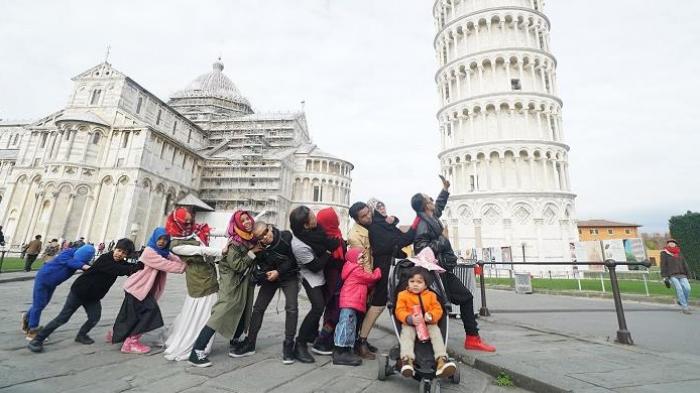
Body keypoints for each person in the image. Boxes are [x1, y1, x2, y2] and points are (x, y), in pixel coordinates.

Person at [411, 175, 495, 352]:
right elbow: (420, 247)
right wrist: (443, 240)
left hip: (442, 270)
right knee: (447, 304)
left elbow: (439, 207)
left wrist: (445, 189)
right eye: (429, 199)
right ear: (425, 206)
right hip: (436, 273)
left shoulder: (430, 218)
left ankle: (471, 338)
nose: (432, 200)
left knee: (462, 298)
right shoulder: (423, 225)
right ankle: (430, 342)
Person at [27, 239, 142, 353]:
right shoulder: (105, 259)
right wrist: (136, 267)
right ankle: (37, 340)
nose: (120, 254)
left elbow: (128, 266)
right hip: (79, 292)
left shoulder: (121, 262)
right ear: (114, 249)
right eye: (119, 250)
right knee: (62, 318)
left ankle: (81, 335)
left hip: (93, 297)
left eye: (124, 253)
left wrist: (142, 263)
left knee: (94, 317)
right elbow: (121, 270)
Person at [188, 211, 260, 367]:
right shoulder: (235, 242)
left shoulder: (251, 238)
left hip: (244, 282)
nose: (247, 222)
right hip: (232, 282)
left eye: (248, 218)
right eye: (243, 220)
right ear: (237, 224)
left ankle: (235, 342)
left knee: (243, 308)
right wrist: (253, 253)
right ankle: (197, 350)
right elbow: (239, 266)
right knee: (221, 311)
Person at [231, 221, 299, 364]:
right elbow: (262, 264)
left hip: (289, 276)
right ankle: (250, 343)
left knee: (291, 308)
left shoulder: (286, 237)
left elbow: (293, 260)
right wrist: (263, 272)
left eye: (265, 232)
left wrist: (278, 272)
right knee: (258, 308)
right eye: (260, 237)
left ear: (270, 227)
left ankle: (288, 346)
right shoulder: (260, 247)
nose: (265, 237)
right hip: (271, 278)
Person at [357, 198, 417, 359]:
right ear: (373, 210)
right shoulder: (376, 227)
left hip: (393, 266)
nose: (382, 207)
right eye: (377, 206)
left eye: (382, 204)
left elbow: (403, 239)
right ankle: (361, 341)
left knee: (400, 302)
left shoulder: (386, 225)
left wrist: (415, 223)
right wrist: (415, 225)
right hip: (384, 268)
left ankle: (406, 339)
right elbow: (397, 242)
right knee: (378, 304)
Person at [111, 228, 186, 353]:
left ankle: (117, 335)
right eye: (160, 239)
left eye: (165, 240)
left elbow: (174, 258)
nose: (162, 242)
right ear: (154, 238)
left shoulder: (163, 252)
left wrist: (188, 261)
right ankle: (131, 342)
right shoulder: (149, 252)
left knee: (131, 315)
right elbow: (166, 265)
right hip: (137, 288)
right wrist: (185, 267)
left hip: (140, 290)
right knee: (150, 313)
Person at [163, 207, 222, 361]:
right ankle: (193, 343)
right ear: (177, 222)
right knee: (203, 314)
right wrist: (225, 251)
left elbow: (212, 232)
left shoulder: (194, 232)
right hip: (199, 281)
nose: (189, 224)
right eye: (185, 222)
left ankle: (199, 342)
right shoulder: (175, 243)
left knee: (201, 313)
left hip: (209, 277)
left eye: (191, 221)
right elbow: (200, 251)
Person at [289, 205, 339, 363]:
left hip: (319, 273)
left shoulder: (316, 231)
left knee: (321, 305)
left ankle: (311, 334)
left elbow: (324, 240)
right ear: (305, 225)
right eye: (312, 217)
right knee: (318, 307)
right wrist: (329, 251)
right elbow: (315, 265)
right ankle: (300, 344)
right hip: (309, 275)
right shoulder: (299, 244)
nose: (316, 218)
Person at [21, 244, 95, 340]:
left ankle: (27, 318)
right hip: (43, 279)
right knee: (38, 305)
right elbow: (72, 263)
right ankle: (32, 330)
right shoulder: (67, 254)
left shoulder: (81, 259)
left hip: (52, 283)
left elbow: (86, 266)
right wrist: (86, 267)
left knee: (42, 304)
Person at [395, 267, 457, 378]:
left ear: (425, 284)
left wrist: (431, 316)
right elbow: (399, 310)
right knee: (407, 334)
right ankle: (407, 360)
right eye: (412, 281)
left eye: (419, 282)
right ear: (408, 282)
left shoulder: (431, 296)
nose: (415, 284)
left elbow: (438, 309)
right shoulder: (403, 295)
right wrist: (409, 318)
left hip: (428, 324)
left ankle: (441, 360)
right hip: (411, 323)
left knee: (436, 333)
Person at [332, 247, 381, 366]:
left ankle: (346, 349)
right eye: (360, 258)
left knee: (350, 325)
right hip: (349, 302)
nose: (363, 260)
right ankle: (340, 351)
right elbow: (371, 278)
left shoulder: (354, 268)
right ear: (354, 259)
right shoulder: (355, 269)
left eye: (363, 257)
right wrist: (378, 271)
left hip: (351, 302)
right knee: (346, 325)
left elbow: (366, 284)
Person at [312, 207, 347, 355]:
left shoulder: (336, 234)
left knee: (333, 309)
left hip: (337, 279)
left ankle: (326, 339)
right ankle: (322, 341)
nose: (338, 219)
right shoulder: (325, 239)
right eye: (335, 217)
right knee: (336, 310)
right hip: (332, 280)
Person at [660, 239, 692, 314]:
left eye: (673, 243)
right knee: (679, 289)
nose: (671, 244)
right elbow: (663, 265)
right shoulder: (664, 253)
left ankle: (681, 301)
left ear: (675, 244)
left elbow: (684, 264)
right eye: (670, 243)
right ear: (668, 244)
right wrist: (664, 276)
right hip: (672, 275)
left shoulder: (679, 252)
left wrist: (688, 275)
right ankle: (685, 307)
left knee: (688, 288)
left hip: (682, 274)